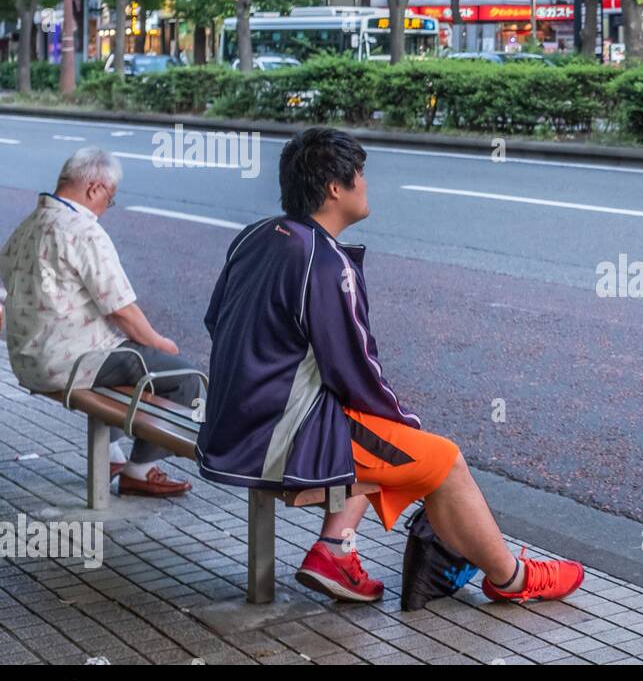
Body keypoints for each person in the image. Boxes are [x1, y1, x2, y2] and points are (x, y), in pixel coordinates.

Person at [198, 126, 584, 604]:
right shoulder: (324, 262)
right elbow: (356, 370)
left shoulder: (255, 236)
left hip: (226, 427)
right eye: (359, 175)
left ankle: (335, 549)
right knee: (441, 459)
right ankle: (514, 579)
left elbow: (216, 321)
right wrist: (409, 427)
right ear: (335, 188)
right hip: (274, 440)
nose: (365, 184)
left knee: (369, 430)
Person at [0, 148, 194, 496]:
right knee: (181, 377)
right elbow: (121, 310)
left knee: (124, 367)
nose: (107, 207)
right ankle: (139, 469)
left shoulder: (28, 225)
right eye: (111, 198)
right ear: (95, 189)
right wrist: (158, 342)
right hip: (69, 361)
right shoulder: (82, 230)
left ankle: (112, 454)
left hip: (28, 360)